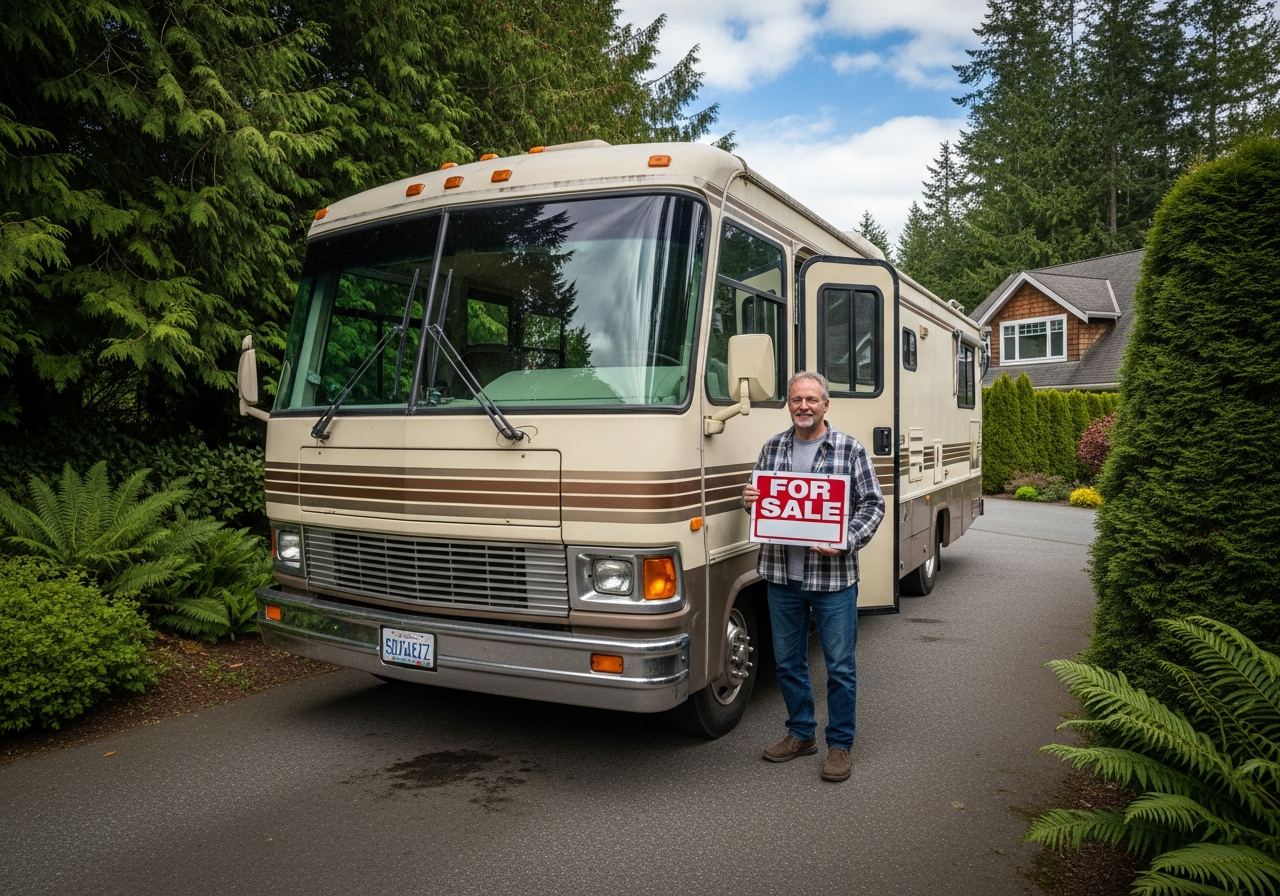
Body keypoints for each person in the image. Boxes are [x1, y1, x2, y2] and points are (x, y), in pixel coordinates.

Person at [743, 371, 885, 782]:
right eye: (795, 399)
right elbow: (764, 509)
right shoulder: (772, 448)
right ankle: (801, 734)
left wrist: (845, 539)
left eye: (811, 399)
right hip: (781, 578)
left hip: (833, 582)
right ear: (789, 405)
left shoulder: (849, 449)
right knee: (788, 663)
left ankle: (840, 745)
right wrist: (749, 500)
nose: (803, 406)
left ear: (826, 404)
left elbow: (873, 506)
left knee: (840, 667)